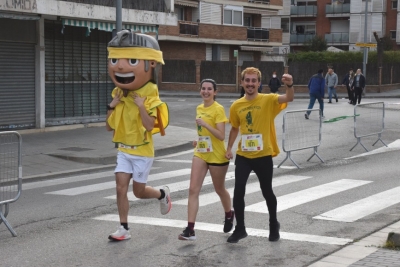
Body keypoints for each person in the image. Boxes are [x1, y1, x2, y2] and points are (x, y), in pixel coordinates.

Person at [105, 30, 171, 241]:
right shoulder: (117, 94)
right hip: (124, 149)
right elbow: (108, 127)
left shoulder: (151, 97)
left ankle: (162, 194)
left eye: (131, 60)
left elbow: (150, 124)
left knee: (138, 192)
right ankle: (124, 228)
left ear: (150, 64)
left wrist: (142, 106)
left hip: (142, 151)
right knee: (119, 187)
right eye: (115, 60)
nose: (120, 66)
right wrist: (111, 106)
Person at [225, 67, 294, 243]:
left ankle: (273, 223)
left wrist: (290, 85)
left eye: (253, 81)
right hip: (244, 156)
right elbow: (234, 128)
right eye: (247, 80)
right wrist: (229, 148)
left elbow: (288, 98)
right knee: (238, 190)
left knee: (266, 191)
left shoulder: (268, 100)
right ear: (242, 82)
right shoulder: (236, 105)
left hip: (263, 155)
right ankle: (240, 228)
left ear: (258, 83)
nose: (250, 84)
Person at [178, 79, 234, 241]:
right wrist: (198, 140)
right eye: (203, 89)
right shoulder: (199, 108)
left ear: (215, 92)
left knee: (219, 189)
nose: (206, 91)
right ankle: (190, 229)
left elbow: (220, 135)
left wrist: (206, 125)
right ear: (200, 91)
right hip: (201, 153)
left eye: (209, 89)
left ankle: (229, 214)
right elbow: (203, 133)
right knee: (193, 189)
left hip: (217, 155)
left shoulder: (218, 109)